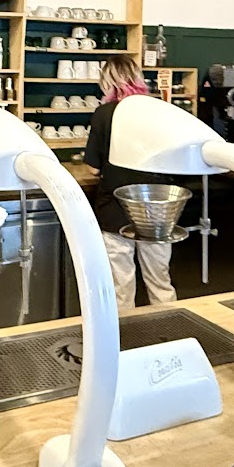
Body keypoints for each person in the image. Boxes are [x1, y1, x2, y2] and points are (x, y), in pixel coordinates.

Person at [84, 56, 177, 309]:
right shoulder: (158, 111)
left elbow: (92, 168)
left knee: (121, 285)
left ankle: (124, 340)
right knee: (160, 280)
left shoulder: (104, 113)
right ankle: (170, 334)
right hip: (156, 206)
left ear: (107, 81)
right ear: (137, 78)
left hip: (115, 206)